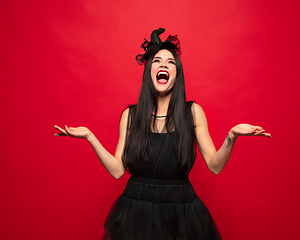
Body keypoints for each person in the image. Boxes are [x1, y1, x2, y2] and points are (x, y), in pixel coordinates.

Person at [54, 28, 271, 240]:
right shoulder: (130, 116)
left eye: (170, 62)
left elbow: (215, 166)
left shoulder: (192, 113)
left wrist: (231, 136)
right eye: (157, 61)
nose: (163, 65)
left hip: (180, 211)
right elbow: (118, 171)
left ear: (177, 73)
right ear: (149, 71)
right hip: (136, 211)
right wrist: (91, 138)